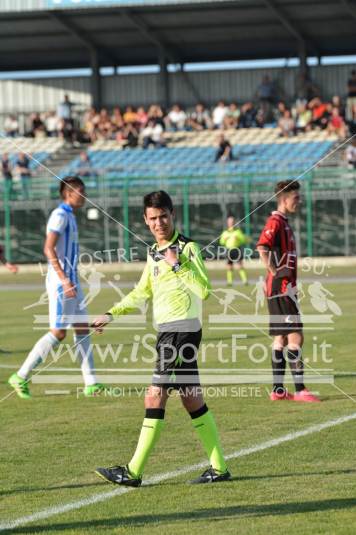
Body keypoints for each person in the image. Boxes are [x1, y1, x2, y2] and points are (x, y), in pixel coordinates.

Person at [92, 190, 231, 487]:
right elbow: (142, 291)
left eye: (163, 216)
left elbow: (204, 289)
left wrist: (177, 264)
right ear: (145, 220)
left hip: (182, 332)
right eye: (153, 218)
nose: (159, 223)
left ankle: (133, 471)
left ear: (172, 214)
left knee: (155, 393)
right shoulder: (153, 253)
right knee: (192, 399)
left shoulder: (188, 247)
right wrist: (111, 313)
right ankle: (219, 468)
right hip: (169, 332)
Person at [8, 176, 103, 399]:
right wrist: (64, 279)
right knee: (59, 332)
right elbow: (48, 248)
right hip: (62, 283)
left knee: (81, 328)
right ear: (68, 193)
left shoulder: (70, 215)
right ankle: (21, 376)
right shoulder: (60, 215)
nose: (84, 195)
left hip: (73, 281)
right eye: (81, 191)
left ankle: (92, 383)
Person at [256, 180, 320, 403]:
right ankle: (301, 390)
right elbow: (262, 247)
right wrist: (276, 273)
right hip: (279, 288)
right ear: (284, 199)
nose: (299, 201)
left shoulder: (284, 222)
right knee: (296, 336)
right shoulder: (275, 222)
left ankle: (278, 390)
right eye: (296, 198)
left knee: (281, 338)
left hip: (281, 289)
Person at [219, 215, 249, 286]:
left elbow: (243, 240)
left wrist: (238, 239)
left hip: (237, 249)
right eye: (229, 221)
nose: (231, 223)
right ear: (227, 222)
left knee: (240, 265)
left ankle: (245, 281)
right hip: (229, 250)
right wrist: (225, 240)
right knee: (229, 266)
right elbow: (221, 242)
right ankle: (230, 282)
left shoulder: (238, 232)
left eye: (232, 221)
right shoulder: (225, 232)